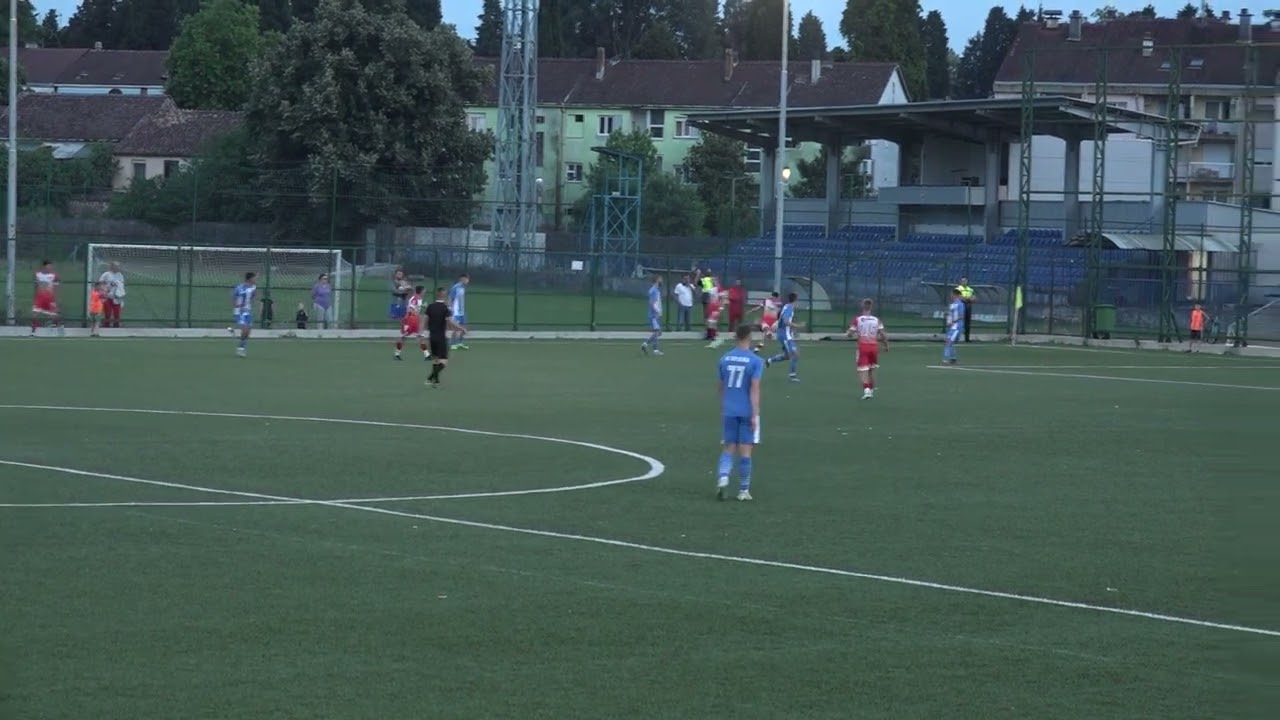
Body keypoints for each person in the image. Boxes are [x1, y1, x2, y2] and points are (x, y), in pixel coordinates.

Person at [717, 324, 764, 501]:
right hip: (746, 410)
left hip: (729, 409)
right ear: (749, 337)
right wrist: (755, 414)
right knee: (746, 451)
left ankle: (723, 477)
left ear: (735, 337)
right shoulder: (755, 361)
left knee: (728, 447)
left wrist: (723, 407)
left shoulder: (724, 358)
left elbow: (721, 387)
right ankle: (743, 490)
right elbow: (755, 388)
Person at [424, 287, 467, 388]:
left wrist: (421, 332)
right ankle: (431, 378)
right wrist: (461, 329)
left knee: (435, 360)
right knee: (444, 361)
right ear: (444, 296)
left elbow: (425, 320)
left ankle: (436, 381)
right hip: (441, 337)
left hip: (432, 336)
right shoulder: (445, 308)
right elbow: (450, 322)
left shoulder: (430, 307)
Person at [847, 298, 888, 399]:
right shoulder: (876, 319)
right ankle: (871, 390)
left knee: (862, 370)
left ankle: (866, 390)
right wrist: (886, 345)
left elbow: (850, 334)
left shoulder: (858, 319)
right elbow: (883, 334)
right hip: (874, 347)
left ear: (862, 306)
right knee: (872, 369)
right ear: (871, 307)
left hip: (863, 347)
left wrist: (849, 333)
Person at [765, 292, 802, 381]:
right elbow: (785, 321)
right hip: (785, 335)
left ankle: (769, 360)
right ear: (795, 300)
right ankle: (792, 375)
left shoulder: (786, 306)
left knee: (787, 356)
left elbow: (781, 318)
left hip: (784, 334)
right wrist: (796, 326)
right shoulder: (789, 308)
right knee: (795, 354)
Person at [395, 285, 429, 361]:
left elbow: (416, 308)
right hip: (409, 320)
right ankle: (397, 354)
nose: (425, 292)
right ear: (421, 291)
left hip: (415, 320)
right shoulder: (414, 299)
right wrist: (418, 316)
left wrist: (422, 306)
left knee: (421, 336)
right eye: (424, 290)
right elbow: (411, 310)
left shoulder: (419, 299)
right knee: (403, 337)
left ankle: (427, 355)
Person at [30, 260, 63, 337]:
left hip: (50, 299)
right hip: (39, 299)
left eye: (51, 266)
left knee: (55, 316)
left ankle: (60, 330)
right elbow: (36, 286)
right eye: (48, 266)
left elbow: (56, 288)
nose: (50, 268)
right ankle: (33, 332)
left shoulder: (54, 276)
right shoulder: (37, 275)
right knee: (34, 315)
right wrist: (35, 297)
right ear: (44, 266)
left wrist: (57, 300)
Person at [231, 272, 257, 357]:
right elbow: (234, 297)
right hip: (240, 311)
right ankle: (240, 349)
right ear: (249, 279)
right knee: (245, 329)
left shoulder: (253, 287)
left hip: (247, 311)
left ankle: (241, 347)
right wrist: (237, 306)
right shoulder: (240, 288)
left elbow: (252, 296)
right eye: (254, 278)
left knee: (248, 331)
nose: (255, 280)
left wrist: (248, 305)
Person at [98, 261, 125, 328]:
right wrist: (106, 289)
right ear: (112, 266)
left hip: (116, 297)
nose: (117, 268)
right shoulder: (106, 274)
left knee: (117, 313)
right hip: (107, 296)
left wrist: (120, 291)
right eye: (116, 266)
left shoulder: (120, 275)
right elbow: (100, 283)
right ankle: (106, 325)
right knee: (108, 313)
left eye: (118, 266)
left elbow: (121, 285)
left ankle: (116, 325)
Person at [641, 275, 663, 355]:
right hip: (654, 315)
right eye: (660, 279)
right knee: (657, 332)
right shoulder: (653, 290)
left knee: (658, 332)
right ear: (657, 280)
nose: (662, 280)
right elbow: (652, 302)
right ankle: (648, 346)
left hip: (656, 314)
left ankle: (652, 348)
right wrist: (656, 312)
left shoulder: (656, 290)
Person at [942, 288, 965, 365]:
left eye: (952, 294)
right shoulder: (952, 304)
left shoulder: (960, 304)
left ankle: (945, 360)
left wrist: (953, 321)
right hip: (952, 327)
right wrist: (948, 317)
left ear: (956, 295)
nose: (951, 295)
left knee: (948, 342)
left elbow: (961, 316)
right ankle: (953, 359)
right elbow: (950, 315)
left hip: (957, 327)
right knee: (949, 342)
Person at [449, 273, 470, 350]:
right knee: (457, 328)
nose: (468, 281)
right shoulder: (455, 287)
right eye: (467, 279)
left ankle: (459, 342)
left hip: (462, 311)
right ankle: (453, 343)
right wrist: (450, 309)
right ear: (462, 278)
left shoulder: (463, 288)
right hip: (456, 311)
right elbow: (451, 298)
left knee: (463, 327)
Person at [955, 277, 974, 342]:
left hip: (968, 306)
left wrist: (969, 299)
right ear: (960, 281)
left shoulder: (970, 289)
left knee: (967, 323)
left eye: (965, 281)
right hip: (960, 306)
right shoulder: (958, 289)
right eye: (963, 281)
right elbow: (959, 297)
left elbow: (974, 297)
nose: (964, 282)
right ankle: (956, 338)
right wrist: (967, 299)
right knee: (959, 322)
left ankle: (967, 338)